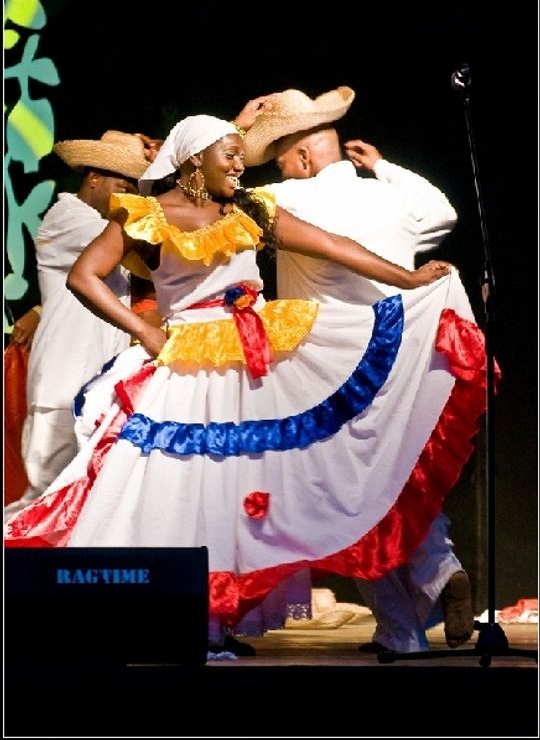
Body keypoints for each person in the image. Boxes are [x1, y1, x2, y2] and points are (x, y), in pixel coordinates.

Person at [5, 113, 478, 659]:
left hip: (256, 362)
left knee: (267, 487)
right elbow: (84, 275)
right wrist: (144, 330)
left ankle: (230, 618)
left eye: (239, 155)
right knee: (192, 494)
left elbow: (330, 243)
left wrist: (408, 279)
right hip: (191, 367)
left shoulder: (251, 209)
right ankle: (192, 621)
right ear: (194, 160)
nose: (238, 165)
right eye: (228, 154)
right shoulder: (147, 214)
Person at [240, 85, 484, 653]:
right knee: (396, 482)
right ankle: (434, 584)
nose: (278, 168)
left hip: (328, 373)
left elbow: (214, 199)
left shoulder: (287, 198)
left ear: (303, 158)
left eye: (281, 158)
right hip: (400, 363)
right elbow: (443, 213)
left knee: (344, 500)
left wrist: (240, 133)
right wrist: (384, 167)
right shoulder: (390, 199)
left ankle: (409, 618)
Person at [3, 131, 149, 521]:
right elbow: (146, 258)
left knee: (81, 510)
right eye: (121, 185)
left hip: (96, 383)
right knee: (44, 503)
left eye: (133, 188)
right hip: (64, 386)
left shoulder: (105, 223)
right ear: (93, 178)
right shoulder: (70, 216)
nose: (127, 196)